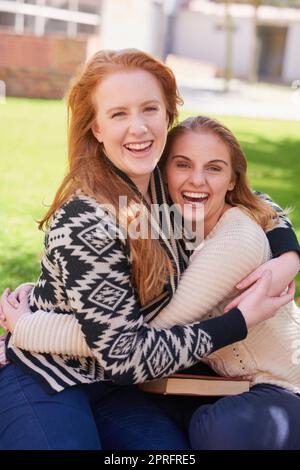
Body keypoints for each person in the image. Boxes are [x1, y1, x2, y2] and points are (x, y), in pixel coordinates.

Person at [0, 50, 297, 450]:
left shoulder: (167, 183)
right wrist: (238, 321)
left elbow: (256, 204)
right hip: (51, 372)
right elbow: (125, 355)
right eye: (118, 114)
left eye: (149, 109)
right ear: (96, 128)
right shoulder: (88, 219)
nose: (138, 128)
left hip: (124, 386)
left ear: (168, 115)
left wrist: (287, 259)